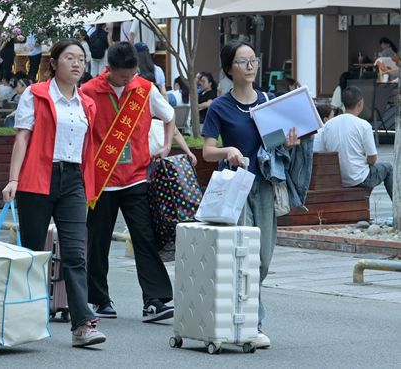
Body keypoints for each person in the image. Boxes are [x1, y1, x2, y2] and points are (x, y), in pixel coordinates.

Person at [2, 38, 107, 348]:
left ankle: (82, 325)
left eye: (81, 59)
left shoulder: (86, 103)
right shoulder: (35, 95)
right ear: (54, 63)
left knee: (75, 254)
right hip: (37, 179)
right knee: (33, 253)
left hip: (73, 180)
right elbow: (22, 138)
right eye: (70, 58)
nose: (77, 64)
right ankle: (22, 318)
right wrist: (13, 179)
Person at [201, 39, 301, 349]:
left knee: (263, 257)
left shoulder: (269, 100)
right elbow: (207, 152)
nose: (250, 66)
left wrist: (289, 141)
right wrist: (228, 150)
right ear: (229, 68)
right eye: (242, 61)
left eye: (253, 60)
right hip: (236, 186)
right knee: (241, 254)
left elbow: (276, 141)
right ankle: (251, 322)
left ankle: (244, 317)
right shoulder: (220, 106)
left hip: (266, 184)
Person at [82, 41, 177, 324]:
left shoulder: (144, 89)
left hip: (136, 177)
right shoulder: (88, 91)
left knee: (144, 238)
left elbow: (170, 116)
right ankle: (99, 299)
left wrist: (167, 145)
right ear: (109, 69)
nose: (128, 80)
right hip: (102, 180)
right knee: (98, 242)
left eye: (132, 74)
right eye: (123, 76)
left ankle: (155, 301)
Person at [319, 86, 393, 201]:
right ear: (360, 103)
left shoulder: (328, 125)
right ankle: (398, 205)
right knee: (388, 168)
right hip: (359, 179)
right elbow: (372, 159)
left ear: (343, 103)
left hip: (337, 178)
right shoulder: (364, 125)